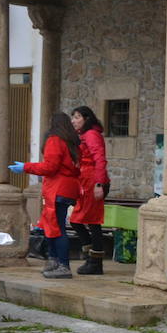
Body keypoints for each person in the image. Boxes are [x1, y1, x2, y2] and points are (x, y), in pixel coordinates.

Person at [11, 112, 82, 279]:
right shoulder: (72, 142)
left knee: (57, 228)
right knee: (54, 226)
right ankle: (55, 261)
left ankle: (62, 265)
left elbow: (49, 167)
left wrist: (26, 167)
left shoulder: (55, 140)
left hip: (57, 188)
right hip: (67, 188)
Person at [70, 105, 109, 275]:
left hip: (93, 182)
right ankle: (90, 257)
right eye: (73, 117)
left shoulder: (91, 135)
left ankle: (95, 262)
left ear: (86, 118)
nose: (73, 121)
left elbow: (100, 159)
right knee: (77, 220)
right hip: (85, 181)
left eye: (77, 117)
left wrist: (99, 184)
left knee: (92, 222)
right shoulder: (83, 135)